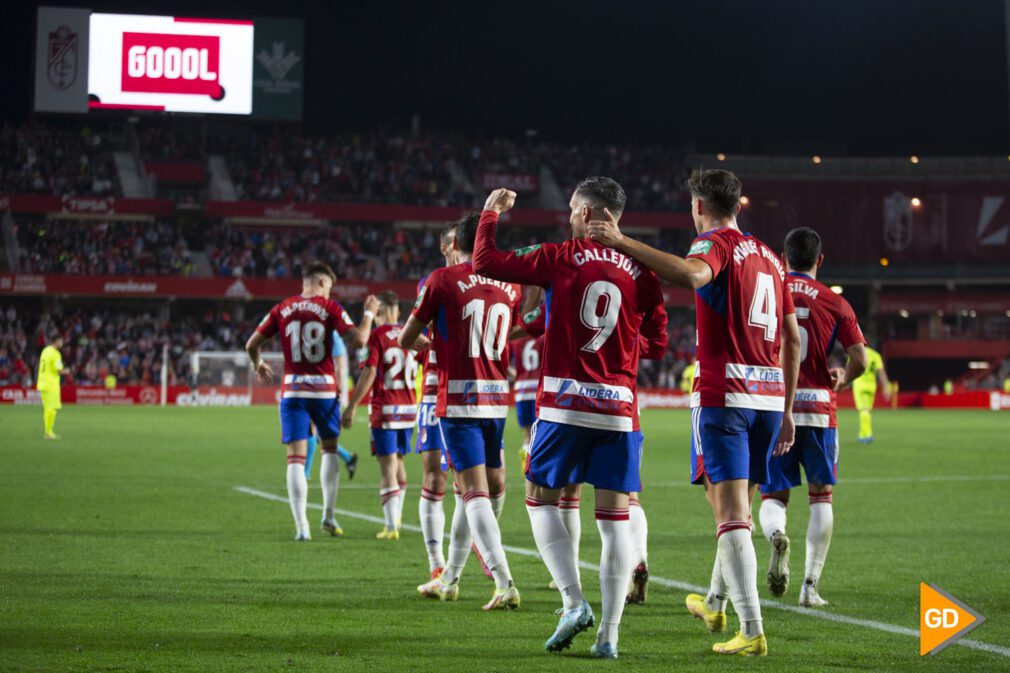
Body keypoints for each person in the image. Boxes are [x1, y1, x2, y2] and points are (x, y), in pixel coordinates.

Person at [587, 168, 800, 656]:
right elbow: (792, 337)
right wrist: (786, 409)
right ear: (738, 204)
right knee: (737, 512)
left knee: (727, 515)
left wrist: (622, 241)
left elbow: (690, 274)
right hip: (768, 400)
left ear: (699, 207)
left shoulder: (714, 245)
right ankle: (715, 602)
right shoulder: (769, 256)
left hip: (725, 398)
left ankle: (751, 629)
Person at [473, 179, 668, 659]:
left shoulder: (559, 256)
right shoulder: (644, 270)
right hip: (619, 410)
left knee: (540, 499)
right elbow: (657, 344)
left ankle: (573, 601)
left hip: (563, 405)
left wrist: (490, 213)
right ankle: (610, 638)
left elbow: (486, 262)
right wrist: (623, 346)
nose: (569, 217)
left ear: (586, 213)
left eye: (572, 210)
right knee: (615, 521)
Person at [400, 213, 522, 611]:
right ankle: (450, 577)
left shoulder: (441, 280)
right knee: (487, 487)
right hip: (495, 395)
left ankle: (503, 581)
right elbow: (517, 328)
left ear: (457, 244)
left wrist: (436, 342)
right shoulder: (508, 285)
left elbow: (405, 337)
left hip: (456, 398)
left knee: (472, 493)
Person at [757, 227, 868, 608]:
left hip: (774, 407)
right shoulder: (834, 302)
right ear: (820, 260)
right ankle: (809, 586)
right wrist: (843, 377)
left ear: (782, 258)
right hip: (819, 409)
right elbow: (860, 359)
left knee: (773, 494)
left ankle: (775, 536)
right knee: (821, 497)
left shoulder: (768, 288)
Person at [245, 261, 378, 541]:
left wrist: (258, 363)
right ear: (319, 283)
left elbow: (251, 344)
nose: (329, 292)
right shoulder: (330, 308)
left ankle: (301, 526)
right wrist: (369, 313)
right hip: (324, 392)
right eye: (328, 286)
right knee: (329, 451)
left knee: (295, 457)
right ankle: (328, 515)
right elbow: (361, 340)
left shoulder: (282, 308)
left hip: (293, 391)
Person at [342, 291, 419, 540]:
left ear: (380, 312)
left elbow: (370, 373)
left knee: (387, 467)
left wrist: (352, 404)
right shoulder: (412, 333)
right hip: (409, 411)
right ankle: (396, 517)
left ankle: (390, 526)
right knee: (399, 462)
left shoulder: (378, 335)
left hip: (385, 410)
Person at [414, 224, 459, 582]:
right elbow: (413, 335)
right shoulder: (435, 281)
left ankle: (469, 554)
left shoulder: (489, 278)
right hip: (435, 389)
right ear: (446, 247)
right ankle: (436, 560)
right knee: (435, 476)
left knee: (474, 480)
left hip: (475, 390)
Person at [304, 333, 360, 484]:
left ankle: (305, 473)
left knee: (311, 429)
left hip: (325, 390)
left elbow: (340, 367)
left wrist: (339, 394)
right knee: (316, 432)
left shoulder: (332, 334)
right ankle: (348, 458)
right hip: (320, 387)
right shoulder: (327, 330)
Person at [851, 346, 891, 443]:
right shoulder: (875, 355)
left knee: (862, 410)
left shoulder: (856, 354)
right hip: (871, 385)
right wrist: (886, 387)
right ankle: (864, 434)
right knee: (867, 410)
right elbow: (881, 372)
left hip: (859, 384)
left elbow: (851, 369)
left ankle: (866, 435)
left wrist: (844, 383)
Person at [37, 334, 66, 440]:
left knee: (47, 409)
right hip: (51, 384)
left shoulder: (45, 350)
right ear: (56, 341)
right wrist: (67, 371)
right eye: (61, 341)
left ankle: (47, 431)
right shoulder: (55, 353)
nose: (62, 343)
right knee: (52, 409)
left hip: (42, 383)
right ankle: (49, 433)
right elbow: (59, 370)